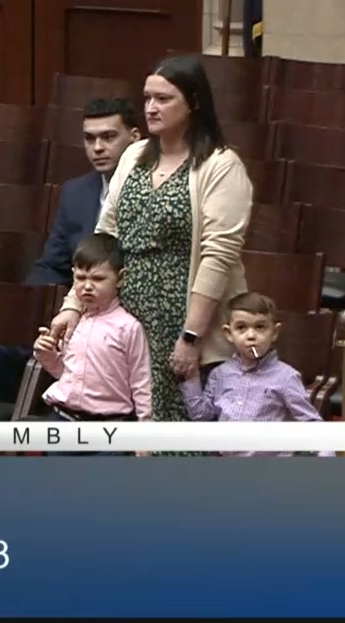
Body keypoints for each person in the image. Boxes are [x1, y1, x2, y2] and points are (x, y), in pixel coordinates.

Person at [47, 56, 253, 451]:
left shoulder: (220, 165)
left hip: (185, 317)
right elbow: (105, 236)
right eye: (147, 98)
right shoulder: (135, 155)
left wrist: (190, 336)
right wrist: (73, 305)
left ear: (193, 102)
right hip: (127, 315)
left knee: (181, 435)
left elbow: (218, 255)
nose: (152, 108)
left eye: (164, 98)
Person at [0, 97, 142, 403]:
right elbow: (52, 263)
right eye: (89, 138)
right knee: (1, 347)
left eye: (108, 137)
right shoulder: (76, 191)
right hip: (74, 306)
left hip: (124, 317)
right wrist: (25, 309)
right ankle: (10, 438)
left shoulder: (151, 190)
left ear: (134, 138)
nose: (97, 147)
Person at [180, 291, 331, 457]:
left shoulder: (286, 377)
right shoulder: (221, 374)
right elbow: (202, 414)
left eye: (260, 327)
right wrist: (191, 376)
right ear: (229, 333)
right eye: (241, 328)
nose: (251, 336)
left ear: (274, 332)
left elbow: (310, 422)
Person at [32, 233, 152, 440]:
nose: (87, 286)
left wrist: (145, 430)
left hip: (108, 429)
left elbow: (142, 384)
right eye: (80, 278)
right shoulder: (73, 322)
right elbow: (66, 372)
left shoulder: (128, 327)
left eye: (98, 279)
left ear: (120, 278)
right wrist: (46, 353)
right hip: (63, 420)